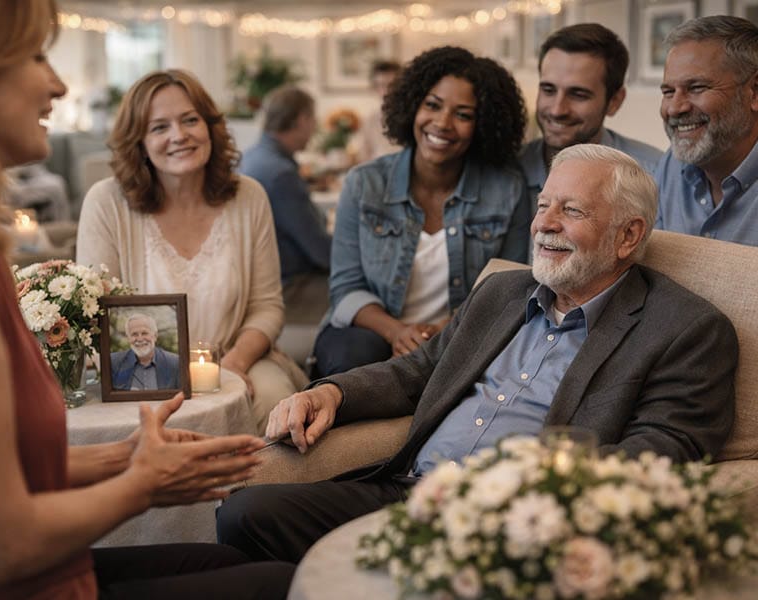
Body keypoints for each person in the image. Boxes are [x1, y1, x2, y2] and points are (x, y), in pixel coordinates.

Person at [216, 145, 737, 570]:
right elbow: (418, 371)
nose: (545, 224)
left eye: (572, 210)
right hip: (408, 493)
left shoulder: (686, 329)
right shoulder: (502, 291)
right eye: (543, 206)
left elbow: (664, 449)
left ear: (629, 236)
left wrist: (526, 491)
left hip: (512, 525)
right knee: (245, 513)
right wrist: (332, 392)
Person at [0, 1, 294, 598]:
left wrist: (126, 457)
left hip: (57, 560)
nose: (60, 85)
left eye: (189, 120)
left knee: (243, 557)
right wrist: (144, 484)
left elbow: (7, 470)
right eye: (35, 55)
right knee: (280, 582)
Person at [77, 69, 307, 433]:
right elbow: (95, 317)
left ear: (210, 127)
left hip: (237, 356)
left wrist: (234, 365)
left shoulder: (249, 196)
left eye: (190, 120)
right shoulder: (106, 203)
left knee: (276, 406)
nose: (179, 135)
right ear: (138, 141)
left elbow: (267, 306)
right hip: (141, 370)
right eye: (159, 127)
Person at [312, 46, 531, 376]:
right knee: (352, 355)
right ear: (412, 105)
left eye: (463, 115)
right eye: (432, 105)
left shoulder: (507, 190)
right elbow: (345, 288)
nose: (442, 123)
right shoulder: (364, 184)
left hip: (461, 332)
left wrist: (445, 329)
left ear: (484, 124)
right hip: (373, 330)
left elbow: (508, 289)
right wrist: (397, 332)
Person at [520, 23, 663, 212]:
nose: (557, 110)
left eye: (578, 94)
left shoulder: (655, 176)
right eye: (548, 90)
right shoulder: (509, 170)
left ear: (614, 101)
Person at [654, 15, 758, 245]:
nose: (675, 108)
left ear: (754, 92)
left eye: (697, 88)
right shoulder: (672, 165)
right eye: (668, 92)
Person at [240, 85, 331, 325]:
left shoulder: (251, 156)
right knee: (366, 291)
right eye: (313, 119)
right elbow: (321, 253)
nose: (314, 127)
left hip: (257, 281)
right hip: (287, 286)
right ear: (302, 120)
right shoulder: (281, 174)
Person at [110, 313, 180, 390]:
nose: (140, 339)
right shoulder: (113, 362)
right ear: (128, 338)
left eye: (144, 333)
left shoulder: (175, 363)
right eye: (134, 334)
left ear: (155, 336)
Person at [356, 59, 402, 162]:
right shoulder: (369, 121)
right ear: (375, 88)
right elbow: (363, 159)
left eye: (392, 85)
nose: (387, 91)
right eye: (382, 85)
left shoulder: (414, 117)